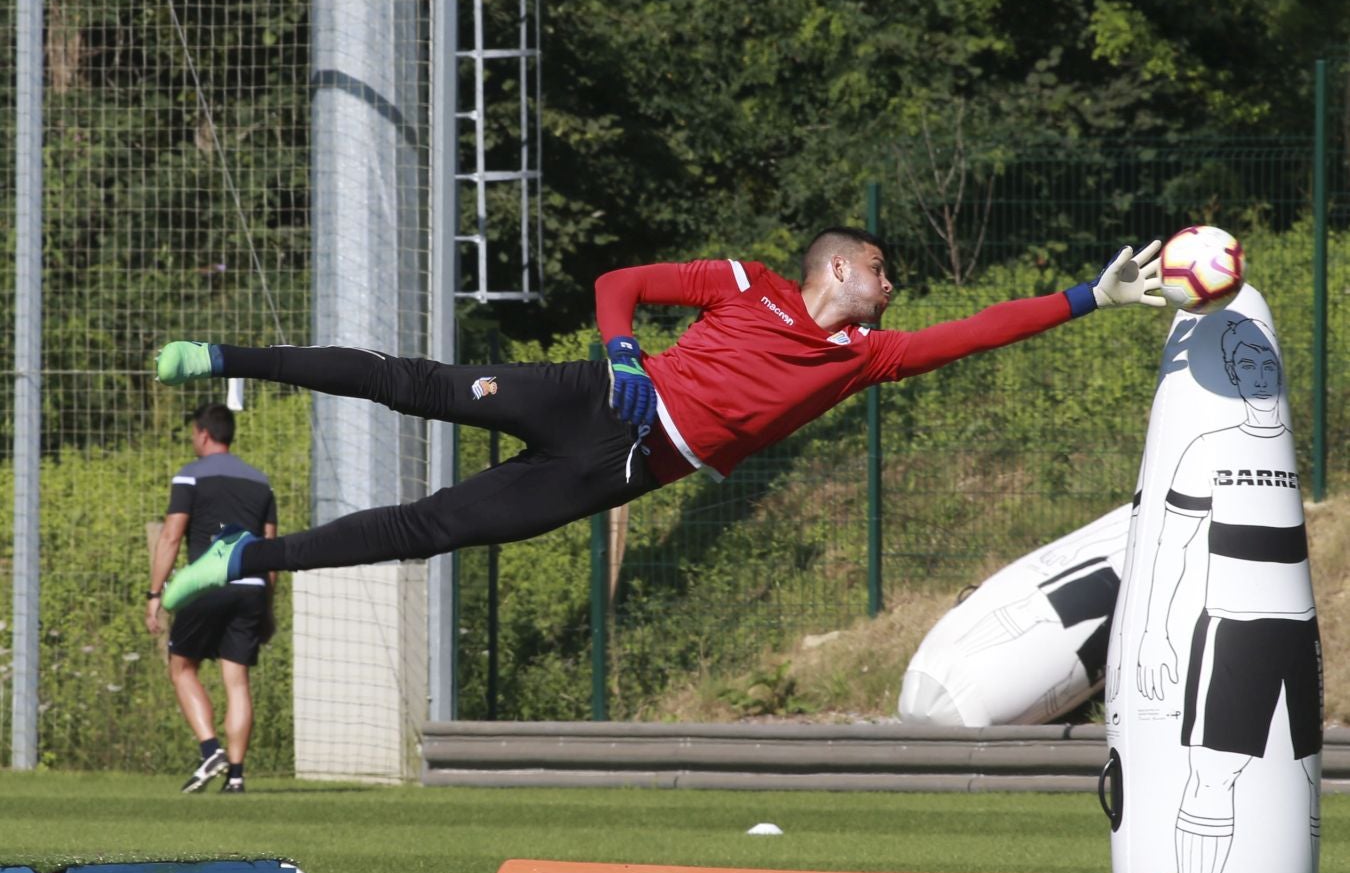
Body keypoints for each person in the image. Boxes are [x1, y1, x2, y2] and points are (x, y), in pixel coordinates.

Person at [154, 227, 1164, 609]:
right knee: (413, 381)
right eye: (884, 271)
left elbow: (982, 330)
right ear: (842, 269)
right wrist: (623, 351)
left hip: (622, 470)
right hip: (595, 395)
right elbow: (619, 280)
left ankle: (243, 562)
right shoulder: (747, 283)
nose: (894, 287)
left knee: (434, 529)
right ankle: (224, 356)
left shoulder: (866, 358)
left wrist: (1089, 296)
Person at [1134, 317, 1320, 873]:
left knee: (1306, 781)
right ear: (1235, 376)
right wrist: (1153, 633)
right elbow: (1172, 543)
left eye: (1270, 366)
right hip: (1236, 632)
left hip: (1300, 633)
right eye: (1250, 367)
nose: (1262, 376)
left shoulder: (1287, 456)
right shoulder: (1207, 449)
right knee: (1213, 774)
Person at [147, 402, 278, 793]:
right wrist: (268, 604)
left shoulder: (190, 477)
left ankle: (210, 751)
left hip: (207, 584)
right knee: (236, 679)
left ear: (203, 434)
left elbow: (171, 536)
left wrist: (155, 593)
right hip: (253, 587)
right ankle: (236, 778)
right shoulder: (261, 482)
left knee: (182, 666)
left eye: (192, 434)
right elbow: (270, 547)